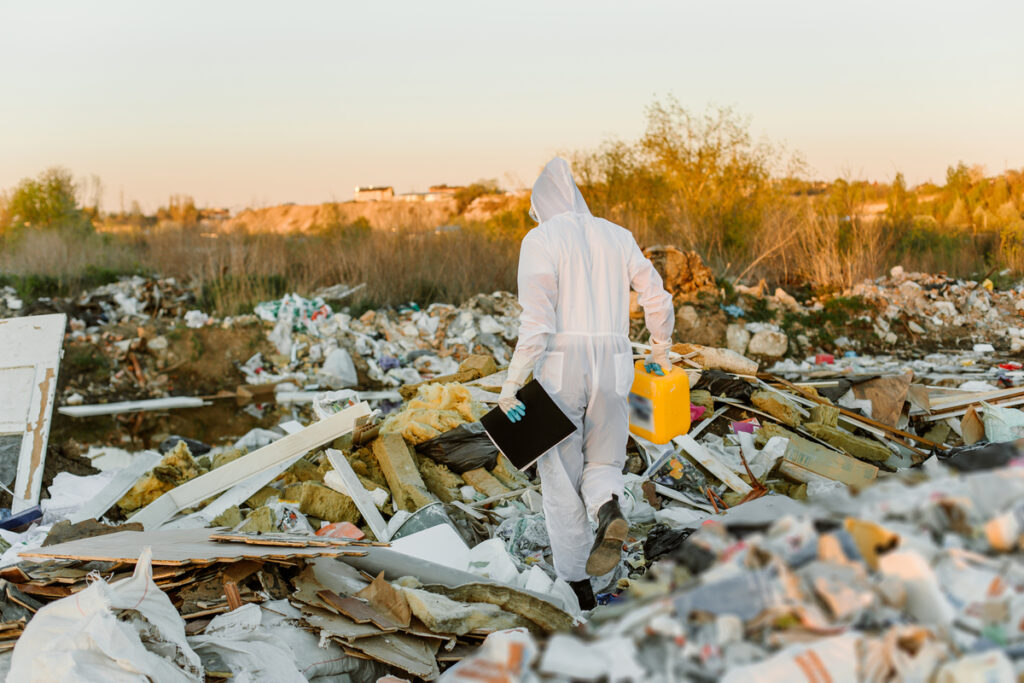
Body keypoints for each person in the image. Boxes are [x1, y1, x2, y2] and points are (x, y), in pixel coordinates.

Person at [498, 158, 674, 610]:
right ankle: (607, 510)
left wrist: (512, 383)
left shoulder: (540, 240)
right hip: (617, 360)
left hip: (562, 363)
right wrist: (660, 349)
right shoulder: (618, 235)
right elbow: (656, 296)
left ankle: (577, 585)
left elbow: (536, 323)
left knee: (559, 475)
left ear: (540, 205)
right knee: (605, 460)